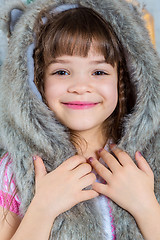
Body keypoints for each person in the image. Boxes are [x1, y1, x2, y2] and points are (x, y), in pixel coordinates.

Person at [0, 0, 160, 239]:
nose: (81, 87)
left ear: (124, 79)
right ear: (35, 81)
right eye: (62, 72)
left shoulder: (149, 163)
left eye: (99, 72)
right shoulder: (16, 169)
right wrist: (43, 208)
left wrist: (146, 207)